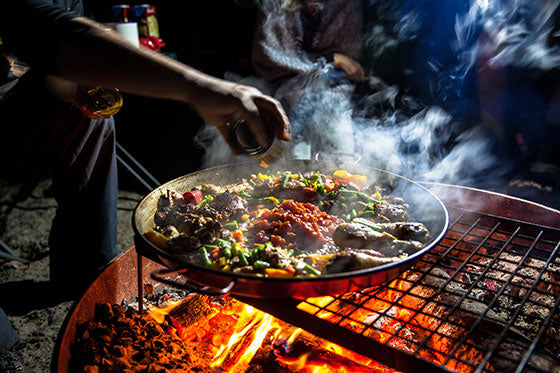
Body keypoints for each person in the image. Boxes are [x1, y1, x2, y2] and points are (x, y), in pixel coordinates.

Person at [0, 0, 291, 354]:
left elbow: (50, 65)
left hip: (12, 94)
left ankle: (82, 280)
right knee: (4, 344)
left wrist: (77, 89)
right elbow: (60, 37)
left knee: (90, 119)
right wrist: (203, 90)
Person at [251, 0, 363, 157]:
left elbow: (349, 58)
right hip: (280, 97)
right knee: (283, 167)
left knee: (340, 163)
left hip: (332, 98)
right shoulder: (275, 3)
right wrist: (330, 59)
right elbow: (270, 58)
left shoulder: (346, 4)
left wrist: (329, 63)